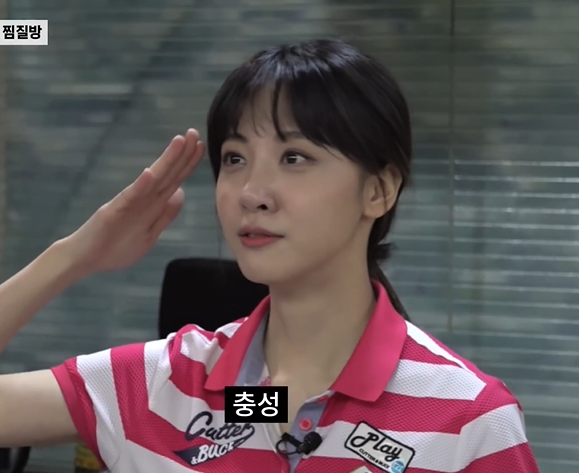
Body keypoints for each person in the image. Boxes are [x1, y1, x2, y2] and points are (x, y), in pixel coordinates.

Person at [0, 39, 539, 473]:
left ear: (378, 191)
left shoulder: (469, 421)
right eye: (235, 158)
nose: (252, 192)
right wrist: (73, 257)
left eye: (295, 157)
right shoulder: (166, 385)